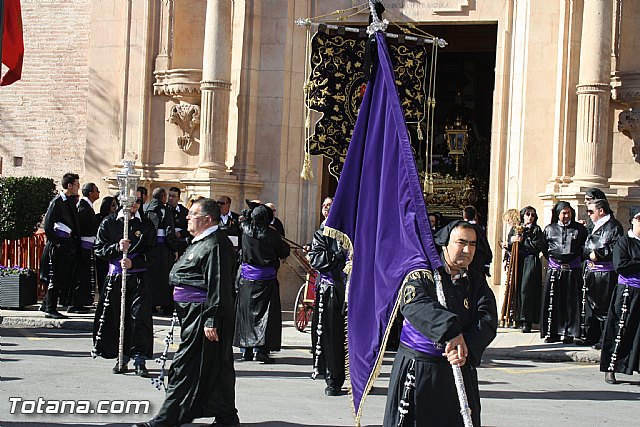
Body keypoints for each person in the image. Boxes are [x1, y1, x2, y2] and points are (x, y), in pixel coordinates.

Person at [134, 198, 240, 427]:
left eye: (193, 214)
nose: (187, 217)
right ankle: (226, 416)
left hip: (203, 314)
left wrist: (211, 318)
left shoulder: (216, 244)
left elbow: (218, 283)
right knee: (217, 366)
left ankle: (166, 419)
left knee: (186, 365)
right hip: (192, 313)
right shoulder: (201, 241)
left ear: (207, 219)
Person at [383, 221, 498, 427]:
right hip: (420, 368)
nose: (467, 249)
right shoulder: (422, 273)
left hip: (458, 365)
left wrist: (466, 347)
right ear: (445, 244)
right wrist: (450, 331)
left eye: (472, 244)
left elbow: (487, 318)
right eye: (461, 242)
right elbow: (415, 304)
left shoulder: (476, 281)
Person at [93, 197, 156, 376]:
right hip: (116, 278)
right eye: (131, 200)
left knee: (139, 317)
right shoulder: (109, 222)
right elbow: (99, 249)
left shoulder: (146, 224)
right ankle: (121, 356)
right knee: (117, 318)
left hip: (138, 277)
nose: (134, 204)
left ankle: (139, 357)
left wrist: (134, 263)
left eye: (138, 200)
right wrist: (116, 247)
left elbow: (152, 252)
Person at [234, 204, 290, 363]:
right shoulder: (272, 234)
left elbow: (242, 220)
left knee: (246, 314)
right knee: (266, 316)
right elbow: (284, 251)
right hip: (266, 281)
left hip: (247, 280)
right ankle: (261, 350)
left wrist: (246, 214)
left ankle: (246, 350)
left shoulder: (245, 229)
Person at [308, 196, 347, 396]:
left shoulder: (354, 232)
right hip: (333, 290)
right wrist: (336, 256)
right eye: (325, 206)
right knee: (333, 336)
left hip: (354, 291)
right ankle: (333, 380)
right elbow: (316, 258)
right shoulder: (322, 234)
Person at [600, 208, 640, 385]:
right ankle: (611, 368)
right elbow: (621, 266)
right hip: (627, 291)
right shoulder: (624, 242)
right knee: (620, 329)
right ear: (633, 220)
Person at [578, 198, 623, 347]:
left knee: (604, 306)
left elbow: (615, 247)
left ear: (601, 211)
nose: (588, 214)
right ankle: (592, 335)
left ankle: (605, 339)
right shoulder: (593, 225)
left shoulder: (614, 226)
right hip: (591, 271)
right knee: (591, 306)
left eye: (591, 211)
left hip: (605, 273)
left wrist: (599, 253)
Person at [541, 201, 588, 343]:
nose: (567, 215)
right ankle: (552, 332)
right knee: (553, 302)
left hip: (572, 270)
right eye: (564, 213)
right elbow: (544, 247)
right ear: (558, 214)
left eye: (569, 213)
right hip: (555, 270)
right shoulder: (549, 229)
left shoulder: (579, 229)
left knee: (571, 303)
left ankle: (569, 332)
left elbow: (583, 247)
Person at [39, 172, 81, 319]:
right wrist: (56, 242)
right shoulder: (56, 202)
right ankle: (50, 308)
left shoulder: (70, 202)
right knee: (55, 276)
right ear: (69, 185)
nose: (78, 187)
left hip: (68, 244)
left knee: (62, 276)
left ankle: (46, 304)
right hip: (58, 245)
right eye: (76, 184)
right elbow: (48, 226)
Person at [503, 206, 544, 333]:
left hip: (530, 261)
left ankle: (527, 320)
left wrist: (523, 241)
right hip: (518, 262)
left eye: (532, 215)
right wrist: (510, 242)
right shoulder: (516, 228)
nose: (530, 217)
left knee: (527, 290)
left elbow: (538, 246)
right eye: (527, 214)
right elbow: (510, 244)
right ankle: (516, 317)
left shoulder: (536, 229)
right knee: (516, 288)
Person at [145, 187, 178, 315]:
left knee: (150, 277)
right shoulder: (165, 210)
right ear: (163, 197)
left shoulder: (145, 209)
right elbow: (169, 231)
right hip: (163, 248)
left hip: (149, 248)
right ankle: (166, 305)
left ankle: (151, 304)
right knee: (164, 277)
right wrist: (174, 248)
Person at [70, 182, 101, 313]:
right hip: (83, 247)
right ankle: (76, 304)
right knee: (81, 275)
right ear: (91, 193)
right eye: (97, 190)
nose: (98, 192)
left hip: (88, 245)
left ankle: (82, 302)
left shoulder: (88, 206)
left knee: (86, 275)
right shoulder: (83, 207)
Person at [96, 196, 119, 293]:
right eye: (112, 205)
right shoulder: (101, 219)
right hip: (104, 250)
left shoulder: (117, 220)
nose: (115, 208)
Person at [167, 186, 191, 256]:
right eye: (170, 196)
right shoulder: (163, 210)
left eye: (174, 196)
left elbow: (189, 228)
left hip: (180, 244)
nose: (171, 198)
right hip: (167, 244)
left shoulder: (184, 211)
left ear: (178, 198)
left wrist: (181, 233)